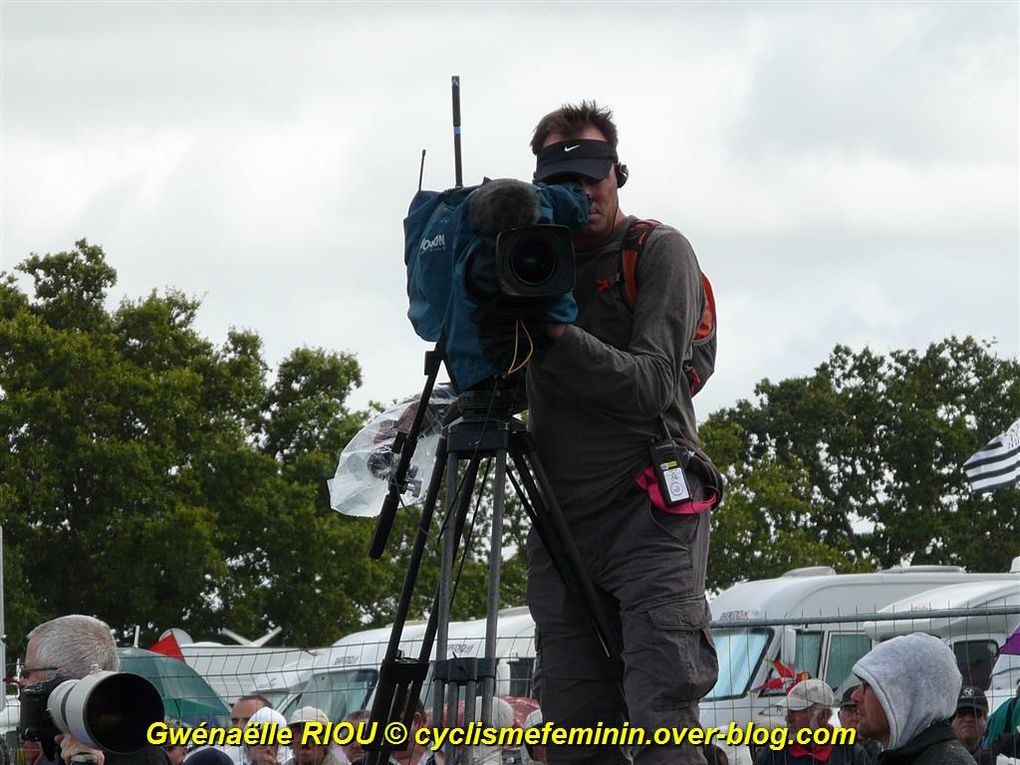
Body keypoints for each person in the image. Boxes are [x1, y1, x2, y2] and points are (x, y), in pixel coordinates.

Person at [524, 101, 720, 765]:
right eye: (563, 181)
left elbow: (651, 385)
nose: (582, 192)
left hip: (650, 513)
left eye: (593, 174)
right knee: (576, 734)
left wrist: (552, 333)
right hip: (561, 526)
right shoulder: (525, 265)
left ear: (618, 173)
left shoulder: (658, 251)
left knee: (661, 715)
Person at [18, 614, 170, 765]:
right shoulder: (140, 745)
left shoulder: (144, 758)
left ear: (62, 677)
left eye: (27, 672)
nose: (22, 682)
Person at [850, 633, 974, 765]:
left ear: (905, 694)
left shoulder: (945, 761)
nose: (855, 696)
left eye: (867, 684)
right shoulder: (904, 757)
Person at [753, 679, 868, 765]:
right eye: (788, 711)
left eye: (798, 711)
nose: (788, 718)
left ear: (823, 716)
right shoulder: (771, 754)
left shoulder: (853, 754)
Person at [840, 686, 882, 764]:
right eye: (850, 710)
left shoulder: (888, 752)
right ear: (839, 716)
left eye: (863, 711)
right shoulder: (829, 753)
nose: (856, 718)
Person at [951, 687, 989, 760]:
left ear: (985, 719)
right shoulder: (936, 756)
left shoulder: (999, 757)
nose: (968, 719)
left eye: (975, 713)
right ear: (951, 720)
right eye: (961, 712)